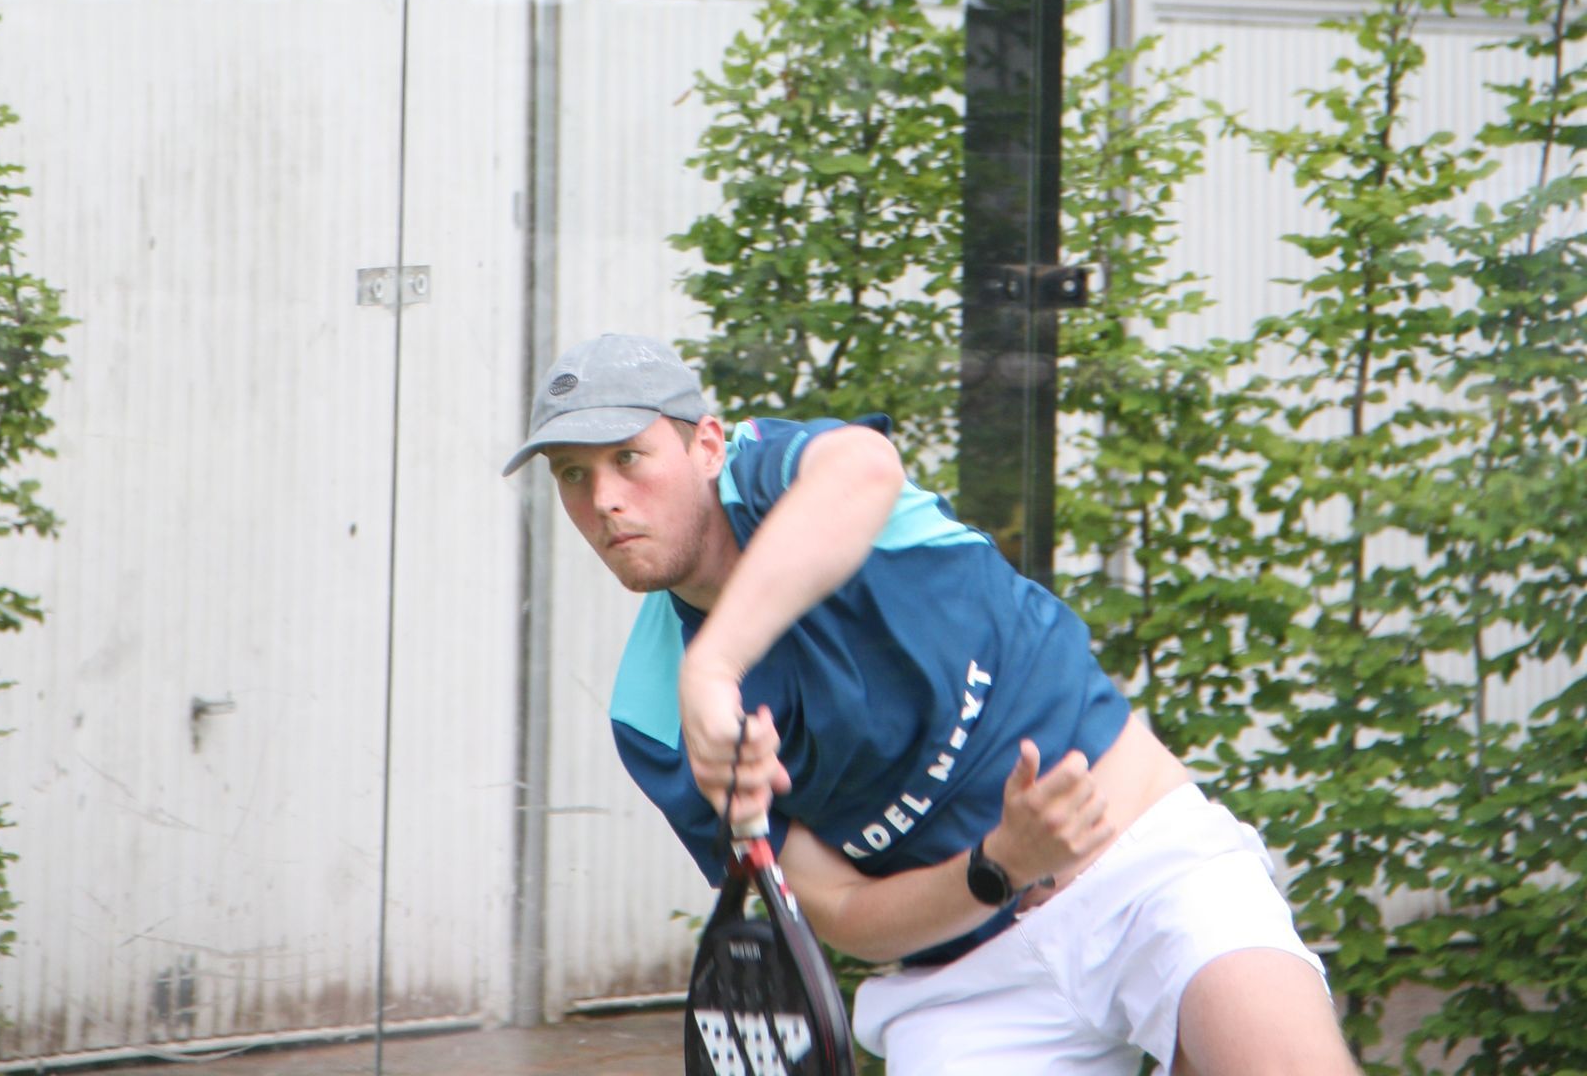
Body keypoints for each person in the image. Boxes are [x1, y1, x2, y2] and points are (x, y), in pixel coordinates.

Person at [504, 332, 1358, 1076]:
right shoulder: (650, 718)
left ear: (708, 445)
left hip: (1149, 869)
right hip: (962, 984)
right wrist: (999, 864)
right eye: (574, 475)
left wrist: (714, 665)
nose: (604, 500)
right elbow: (841, 912)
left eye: (629, 458)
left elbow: (865, 466)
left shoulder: (781, 476)